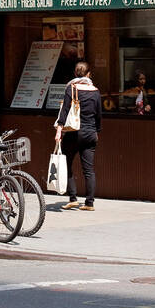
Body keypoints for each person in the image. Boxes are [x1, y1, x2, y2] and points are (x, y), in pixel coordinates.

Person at [52, 62, 102, 211]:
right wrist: (97, 131)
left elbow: (65, 110)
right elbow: (99, 114)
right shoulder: (95, 91)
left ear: (75, 74)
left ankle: (73, 198)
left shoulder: (71, 88)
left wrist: (59, 130)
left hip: (75, 132)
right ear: (88, 74)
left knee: (66, 163)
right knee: (89, 170)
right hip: (90, 133)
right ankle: (89, 203)